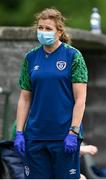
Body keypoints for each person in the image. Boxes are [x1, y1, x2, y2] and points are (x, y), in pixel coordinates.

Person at [14, 8, 88, 179]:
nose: (43, 32)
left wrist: (73, 132)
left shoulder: (73, 56)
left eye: (48, 29)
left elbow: (81, 98)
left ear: (59, 31)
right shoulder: (30, 58)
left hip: (64, 136)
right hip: (35, 136)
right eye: (40, 28)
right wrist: (19, 132)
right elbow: (25, 98)